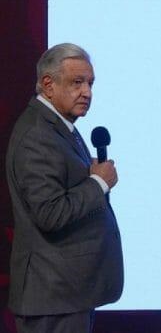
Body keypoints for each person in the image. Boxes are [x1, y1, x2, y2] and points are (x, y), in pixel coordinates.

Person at [5, 43, 123, 333]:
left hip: (67, 295)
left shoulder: (57, 126)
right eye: (77, 82)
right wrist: (98, 183)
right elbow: (50, 213)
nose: (87, 92)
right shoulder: (37, 135)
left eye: (90, 83)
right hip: (53, 298)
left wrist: (88, 176)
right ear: (48, 85)